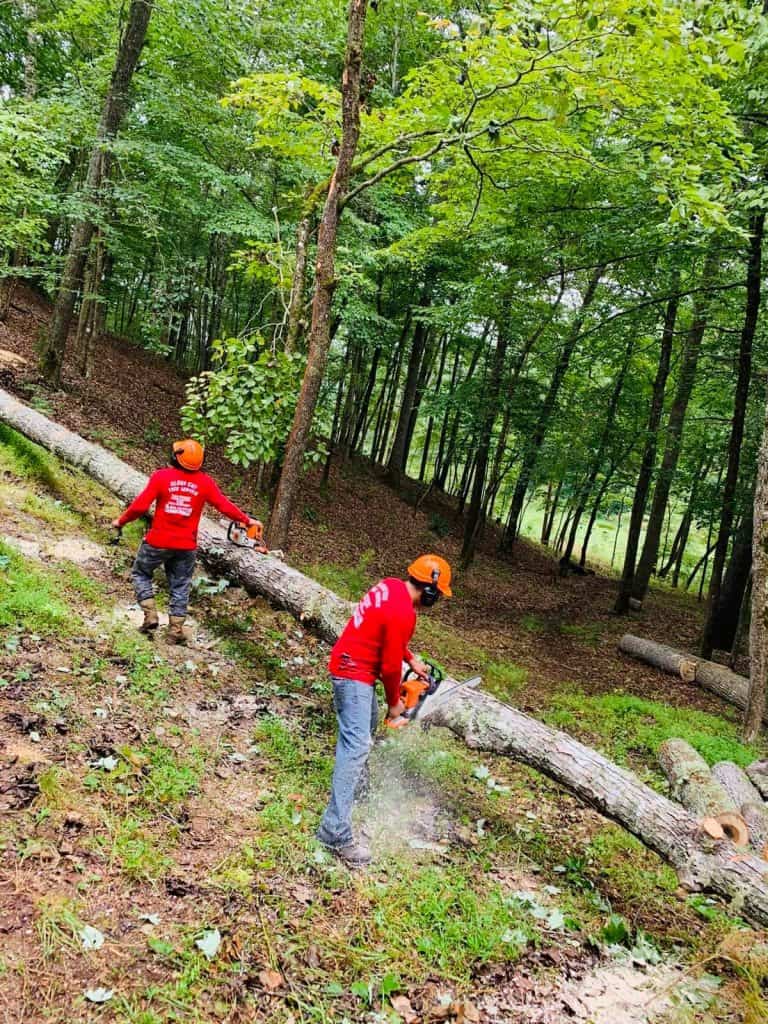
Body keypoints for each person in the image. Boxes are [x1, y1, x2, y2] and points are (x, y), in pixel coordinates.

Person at [317, 554, 453, 865]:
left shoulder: (390, 587)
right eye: (438, 594)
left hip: (349, 665)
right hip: (353, 674)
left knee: (367, 726)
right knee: (356, 745)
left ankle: (357, 787)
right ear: (430, 591)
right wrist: (396, 705)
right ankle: (334, 831)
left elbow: (388, 634)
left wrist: (412, 660)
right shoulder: (404, 613)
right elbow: (389, 668)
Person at [112, 438, 254, 644]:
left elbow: (140, 506)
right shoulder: (205, 482)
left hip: (157, 542)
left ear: (176, 457)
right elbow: (224, 505)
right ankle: (175, 631)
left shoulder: (161, 477)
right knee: (180, 586)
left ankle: (150, 615)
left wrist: (121, 521)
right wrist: (247, 521)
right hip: (186, 547)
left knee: (141, 573)